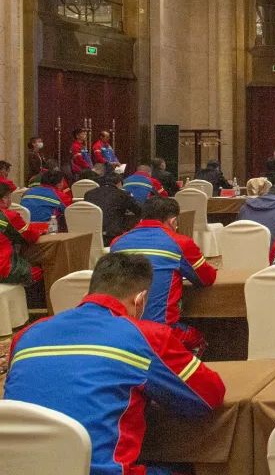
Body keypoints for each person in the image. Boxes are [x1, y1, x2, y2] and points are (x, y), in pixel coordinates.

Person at [3, 252, 226, 475]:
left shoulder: (24, 337)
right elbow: (209, 395)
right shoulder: (145, 336)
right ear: (140, 300)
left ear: (88, 294)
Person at [109, 197, 217, 353]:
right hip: (162, 331)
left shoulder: (117, 243)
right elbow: (207, 278)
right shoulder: (180, 243)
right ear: (173, 221)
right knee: (197, 339)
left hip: (122, 330)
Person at [0, 183, 40, 286]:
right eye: (9, 196)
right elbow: (31, 236)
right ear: (4, 199)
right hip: (4, 269)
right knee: (39, 270)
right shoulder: (9, 216)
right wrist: (40, 230)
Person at [85, 173, 142, 245]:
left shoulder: (89, 193)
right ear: (119, 183)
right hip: (111, 236)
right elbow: (139, 210)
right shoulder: (122, 194)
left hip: (90, 234)